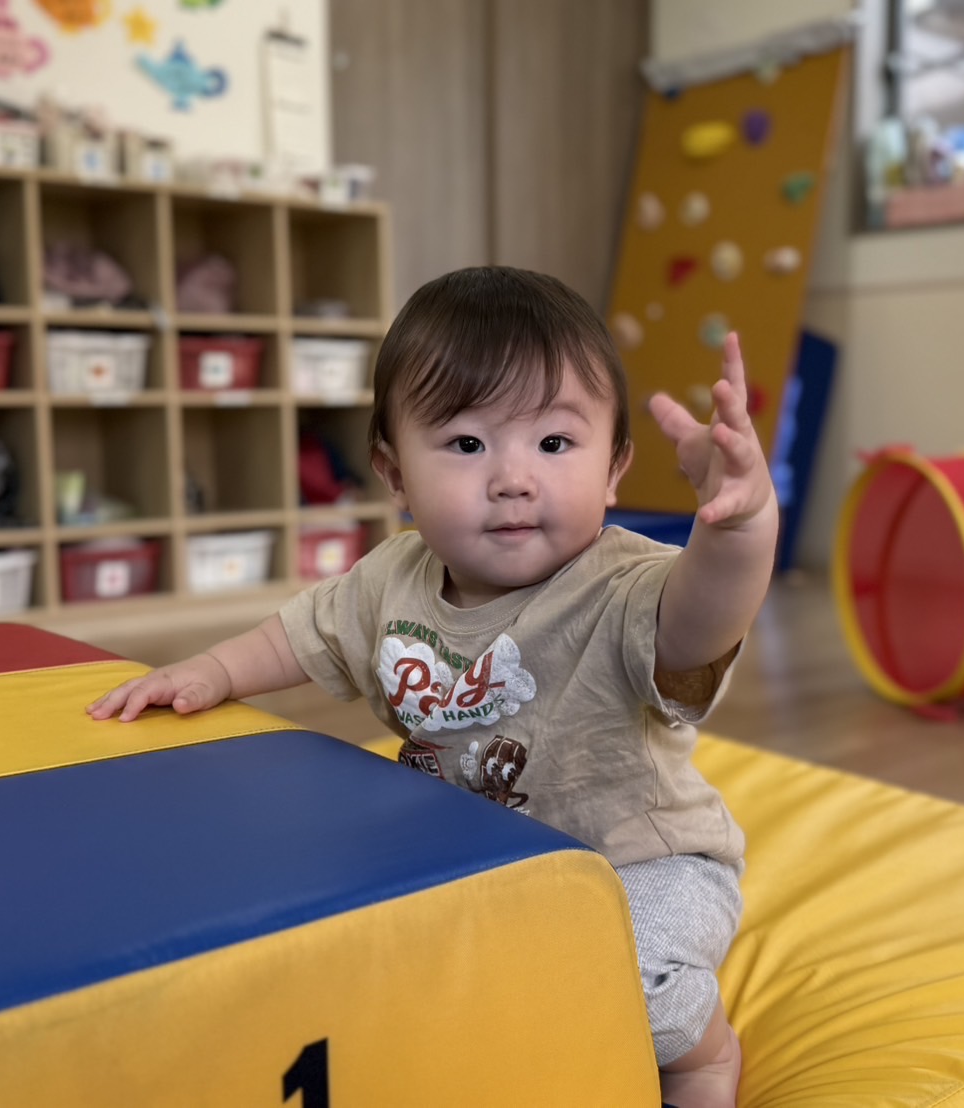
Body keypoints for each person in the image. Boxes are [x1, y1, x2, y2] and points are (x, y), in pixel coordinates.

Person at [88, 266, 777, 1107]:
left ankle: (702, 1057)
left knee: (623, 975)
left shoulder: (623, 587)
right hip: (486, 863)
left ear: (613, 469)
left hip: (640, 868)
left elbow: (702, 620)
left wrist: (741, 529)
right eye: (466, 445)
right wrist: (211, 672)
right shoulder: (391, 580)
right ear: (394, 473)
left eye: (553, 444)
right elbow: (297, 635)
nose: (512, 478)